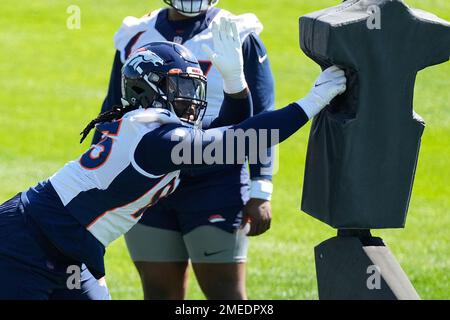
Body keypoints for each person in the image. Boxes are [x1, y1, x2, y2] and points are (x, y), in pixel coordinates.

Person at [0, 18, 346, 299]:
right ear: (148, 88)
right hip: (25, 243)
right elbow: (241, 142)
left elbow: (229, 132)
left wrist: (234, 84)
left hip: (70, 249)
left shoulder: (151, 129)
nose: (192, 99)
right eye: (180, 88)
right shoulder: (156, 138)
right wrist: (310, 104)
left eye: (194, 88)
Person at [96, 0, 276, 300]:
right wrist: (99, 182)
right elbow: (114, 108)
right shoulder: (135, 33)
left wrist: (261, 187)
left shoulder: (238, 31)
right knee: (158, 293)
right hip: (148, 180)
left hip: (214, 179)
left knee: (226, 295)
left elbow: (262, 114)